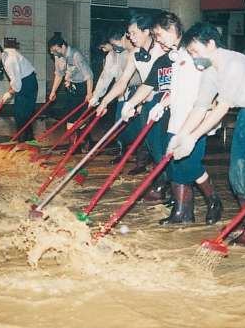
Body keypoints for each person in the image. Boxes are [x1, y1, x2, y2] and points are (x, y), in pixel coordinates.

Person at [172, 22, 245, 243]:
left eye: (195, 51)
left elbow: (222, 107)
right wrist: (181, 136)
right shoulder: (209, 70)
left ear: (211, 44)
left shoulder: (233, 63)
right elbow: (201, 106)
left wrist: (193, 138)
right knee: (237, 175)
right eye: (190, 53)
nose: (194, 57)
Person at [149, 11, 223, 225]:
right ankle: (183, 212)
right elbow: (177, 88)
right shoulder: (177, 56)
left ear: (172, 30)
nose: (158, 40)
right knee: (174, 163)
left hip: (197, 118)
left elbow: (211, 84)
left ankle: (213, 200)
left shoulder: (193, 51)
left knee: (189, 164)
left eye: (159, 35)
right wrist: (161, 105)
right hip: (177, 116)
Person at [97, 13, 167, 193]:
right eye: (129, 34)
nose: (130, 37)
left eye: (134, 33)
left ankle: (166, 185)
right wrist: (104, 101)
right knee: (151, 144)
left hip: (165, 102)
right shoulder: (135, 54)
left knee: (163, 147)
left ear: (146, 31)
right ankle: (164, 182)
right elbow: (123, 80)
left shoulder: (162, 50)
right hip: (147, 102)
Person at [90, 29, 143, 160]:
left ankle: (141, 157)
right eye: (113, 45)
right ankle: (122, 149)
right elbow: (105, 77)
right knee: (119, 122)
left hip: (137, 91)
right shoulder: (112, 55)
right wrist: (97, 96)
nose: (115, 48)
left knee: (138, 124)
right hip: (120, 92)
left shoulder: (134, 52)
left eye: (117, 44)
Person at [0, 41, 38, 142]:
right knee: (21, 113)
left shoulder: (9, 61)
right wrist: (11, 88)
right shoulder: (6, 53)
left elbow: (17, 85)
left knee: (21, 114)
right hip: (26, 81)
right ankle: (29, 140)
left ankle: (23, 140)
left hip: (28, 84)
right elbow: (15, 79)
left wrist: (9, 93)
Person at [48, 35, 94, 152]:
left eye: (56, 50)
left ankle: (83, 142)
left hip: (82, 87)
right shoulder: (58, 57)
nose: (54, 53)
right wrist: (53, 91)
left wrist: (89, 94)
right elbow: (59, 74)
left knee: (80, 118)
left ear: (63, 46)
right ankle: (74, 146)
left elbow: (89, 76)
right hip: (71, 88)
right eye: (52, 51)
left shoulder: (76, 55)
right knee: (71, 118)